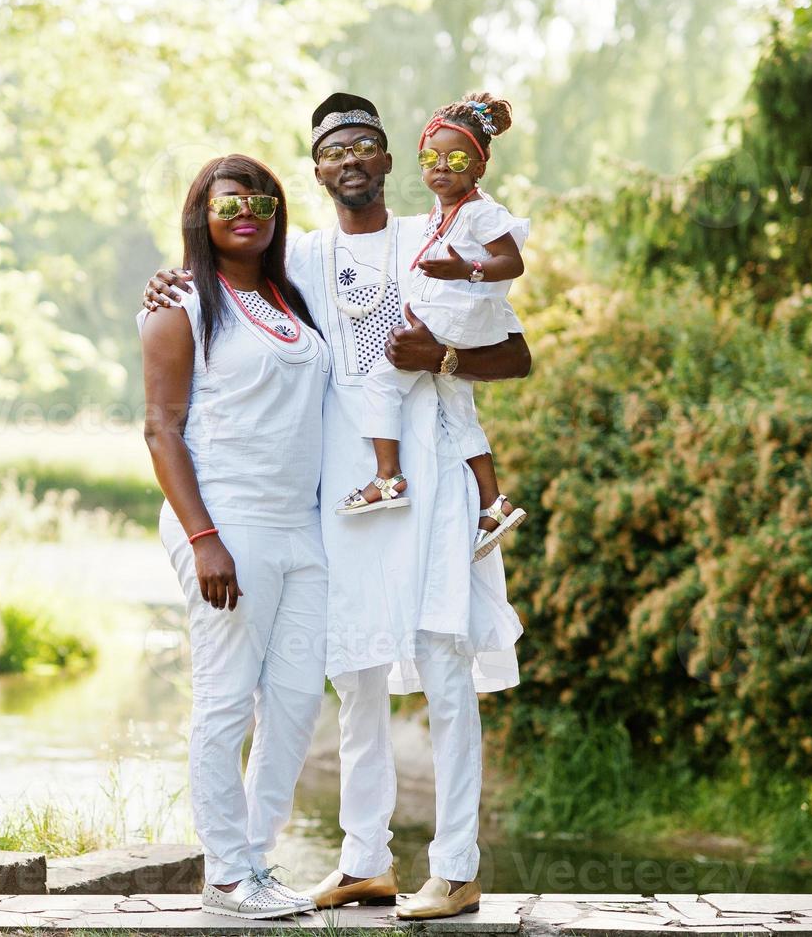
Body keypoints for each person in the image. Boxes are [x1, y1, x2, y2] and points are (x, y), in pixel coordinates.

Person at [144, 93, 531, 921]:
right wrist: (176, 276)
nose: (350, 160)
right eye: (332, 151)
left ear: (388, 161)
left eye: (365, 146)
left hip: (426, 470)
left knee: (441, 658)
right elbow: (225, 287)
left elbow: (518, 352)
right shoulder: (304, 262)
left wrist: (448, 356)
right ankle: (363, 860)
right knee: (353, 668)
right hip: (338, 490)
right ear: (315, 171)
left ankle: (456, 865)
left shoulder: (432, 237)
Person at [139, 155, 330, 920]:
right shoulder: (179, 301)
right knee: (226, 701)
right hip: (227, 524)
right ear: (201, 216)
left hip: (300, 528)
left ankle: (255, 859)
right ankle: (224, 873)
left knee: (291, 703)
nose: (246, 212)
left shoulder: (290, 295)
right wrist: (202, 537)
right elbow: (160, 428)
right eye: (228, 203)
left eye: (260, 200)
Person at [335, 92, 530, 564]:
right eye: (431, 158)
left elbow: (513, 263)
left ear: (478, 168)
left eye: (457, 159)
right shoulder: (440, 214)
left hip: (455, 320)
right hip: (452, 320)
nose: (441, 167)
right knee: (459, 413)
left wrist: (469, 270)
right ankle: (493, 502)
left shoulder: (481, 211)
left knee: (382, 381)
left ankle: (387, 477)